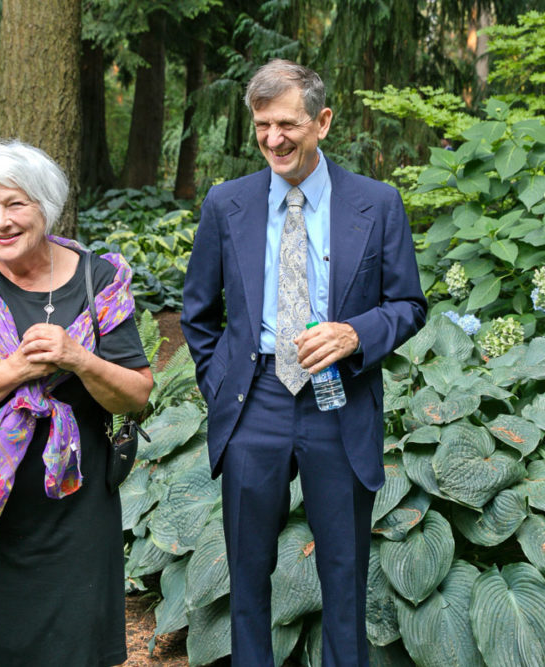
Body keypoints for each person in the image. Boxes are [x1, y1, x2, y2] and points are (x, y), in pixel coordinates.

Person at [180, 59, 426, 666]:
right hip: (254, 403)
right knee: (248, 573)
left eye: (287, 123)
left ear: (322, 121)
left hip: (338, 403)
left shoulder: (377, 202)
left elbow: (409, 305)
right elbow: (197, 314)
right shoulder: (226, 205)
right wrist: (223, 388)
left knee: (345, 575)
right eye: (262, 125)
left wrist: (355, 334)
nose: (273, 139)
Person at [0, 138, 153, 666]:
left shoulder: (99, 282)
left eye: (15, 204)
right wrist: (16, 369)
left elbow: (135, 394)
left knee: (70, 651)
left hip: (74, 516)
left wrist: (79, 358)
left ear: (47, 205)